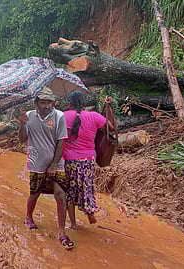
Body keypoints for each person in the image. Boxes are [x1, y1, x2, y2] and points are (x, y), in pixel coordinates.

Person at [18, 87, 74, 250]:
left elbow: (61, 141)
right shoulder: (28, 116)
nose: (47, 106)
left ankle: (62, 232)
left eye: (49, 102)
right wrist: (22, 125)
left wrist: (54, 164)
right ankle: (29, 217)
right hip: (36, 162)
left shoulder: (59, 116)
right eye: (43, 102)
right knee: (34, 193)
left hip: (56, 162)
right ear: (36, 103)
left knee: (60, 194)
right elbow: (22, 139)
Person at [62, 90, 115, 229]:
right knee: (87, 187)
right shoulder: (95, 117)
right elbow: (111, 128)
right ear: (84, 102)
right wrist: (108, 108)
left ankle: (73, 224)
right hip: (88, 159)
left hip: (69, 160)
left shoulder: (63, 116)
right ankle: (89, 211)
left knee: (70, 191)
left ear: (69, 103)